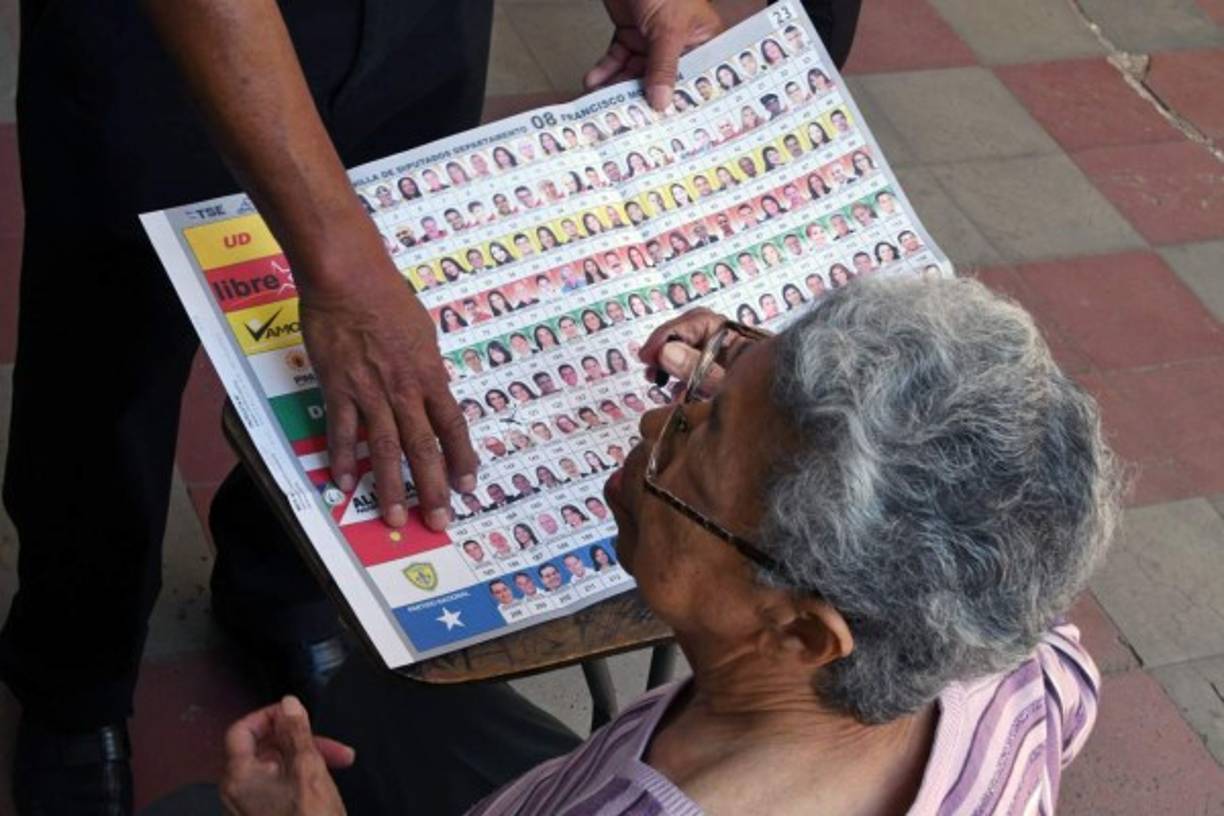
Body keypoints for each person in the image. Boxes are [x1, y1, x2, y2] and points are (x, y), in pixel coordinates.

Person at [214, 278, 1117, 816]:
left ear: (801, 633)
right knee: (382, 704)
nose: (656, 417)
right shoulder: (1020, 673)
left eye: (696, 441)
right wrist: (771, 396)